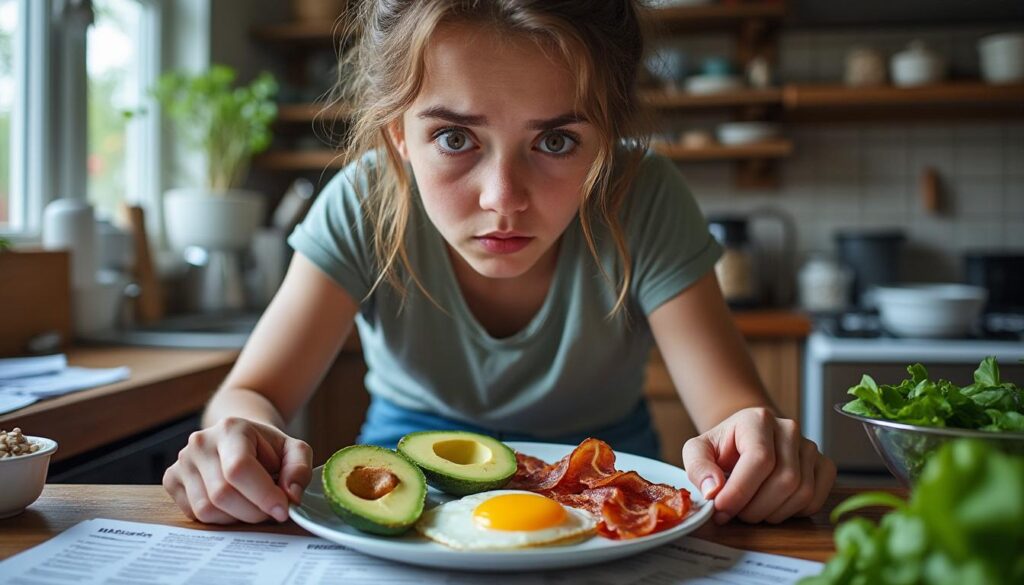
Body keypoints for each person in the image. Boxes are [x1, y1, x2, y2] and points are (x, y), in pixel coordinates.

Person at [163, 0, 835, 528]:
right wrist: (237, 438)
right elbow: (253, 394)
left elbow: (733, 412)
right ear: (400, 137)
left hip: (608, 505)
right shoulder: (364, 202)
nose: (502, 198)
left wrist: (753, 449)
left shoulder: (644, 197)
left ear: (607, 137)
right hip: (404, 499)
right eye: (455, 138)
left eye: (557, 139)